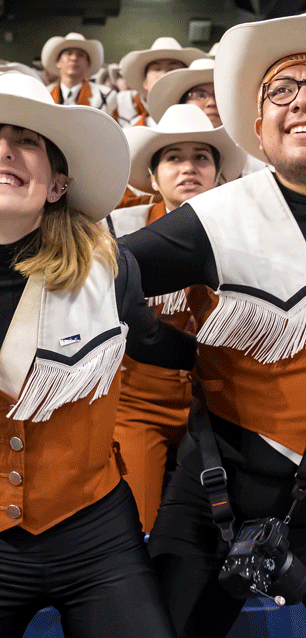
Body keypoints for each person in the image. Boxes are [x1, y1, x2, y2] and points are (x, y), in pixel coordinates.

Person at [0, 73, 196, 637]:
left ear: (56, 185)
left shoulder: (113, 271)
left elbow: (166, 354)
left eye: (27, 141)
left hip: (96, 532)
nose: (3, 148)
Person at [118, 14, 306, 637]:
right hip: (226, 479)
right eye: (283, 90)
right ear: (258, 128)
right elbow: (100, 270)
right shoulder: (217, 217)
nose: (301, 100)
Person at [108, 104, 245, 533]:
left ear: (219, 174)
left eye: (201, 157)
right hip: (137, 405)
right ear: (152, 178)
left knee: (219, 535)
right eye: (173, 158)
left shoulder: (247, 234)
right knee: (137, 525)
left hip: (221, 405)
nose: (188, 168)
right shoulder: (117, 230)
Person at [115, 37, 205, 128]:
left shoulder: (202, 120)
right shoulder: (134, 129)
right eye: (157, 69)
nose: (164, 75)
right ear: (145, 82)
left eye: (172, 69)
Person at [41, 32, 117, 114]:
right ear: (58, 62)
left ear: (88, 64)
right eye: (69, 53)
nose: (74, 58)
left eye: (81, 55)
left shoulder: (106, 96)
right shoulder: (43, 94)